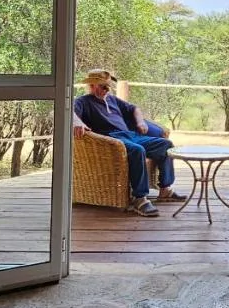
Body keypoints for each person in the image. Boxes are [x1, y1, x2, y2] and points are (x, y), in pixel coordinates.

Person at [73, 69, 186, 217]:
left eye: (108, 86)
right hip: (112, 140)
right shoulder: (83, 101)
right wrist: (77, 123)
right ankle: (140, 199)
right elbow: (68, 112)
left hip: (131, 135)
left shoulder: (112, 99)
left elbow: (134, 108)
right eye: (103, 86)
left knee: (166, 145)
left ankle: (165, 190)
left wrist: (140, 122)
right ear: (92, 85)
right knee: (137, 150)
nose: (107, 89)